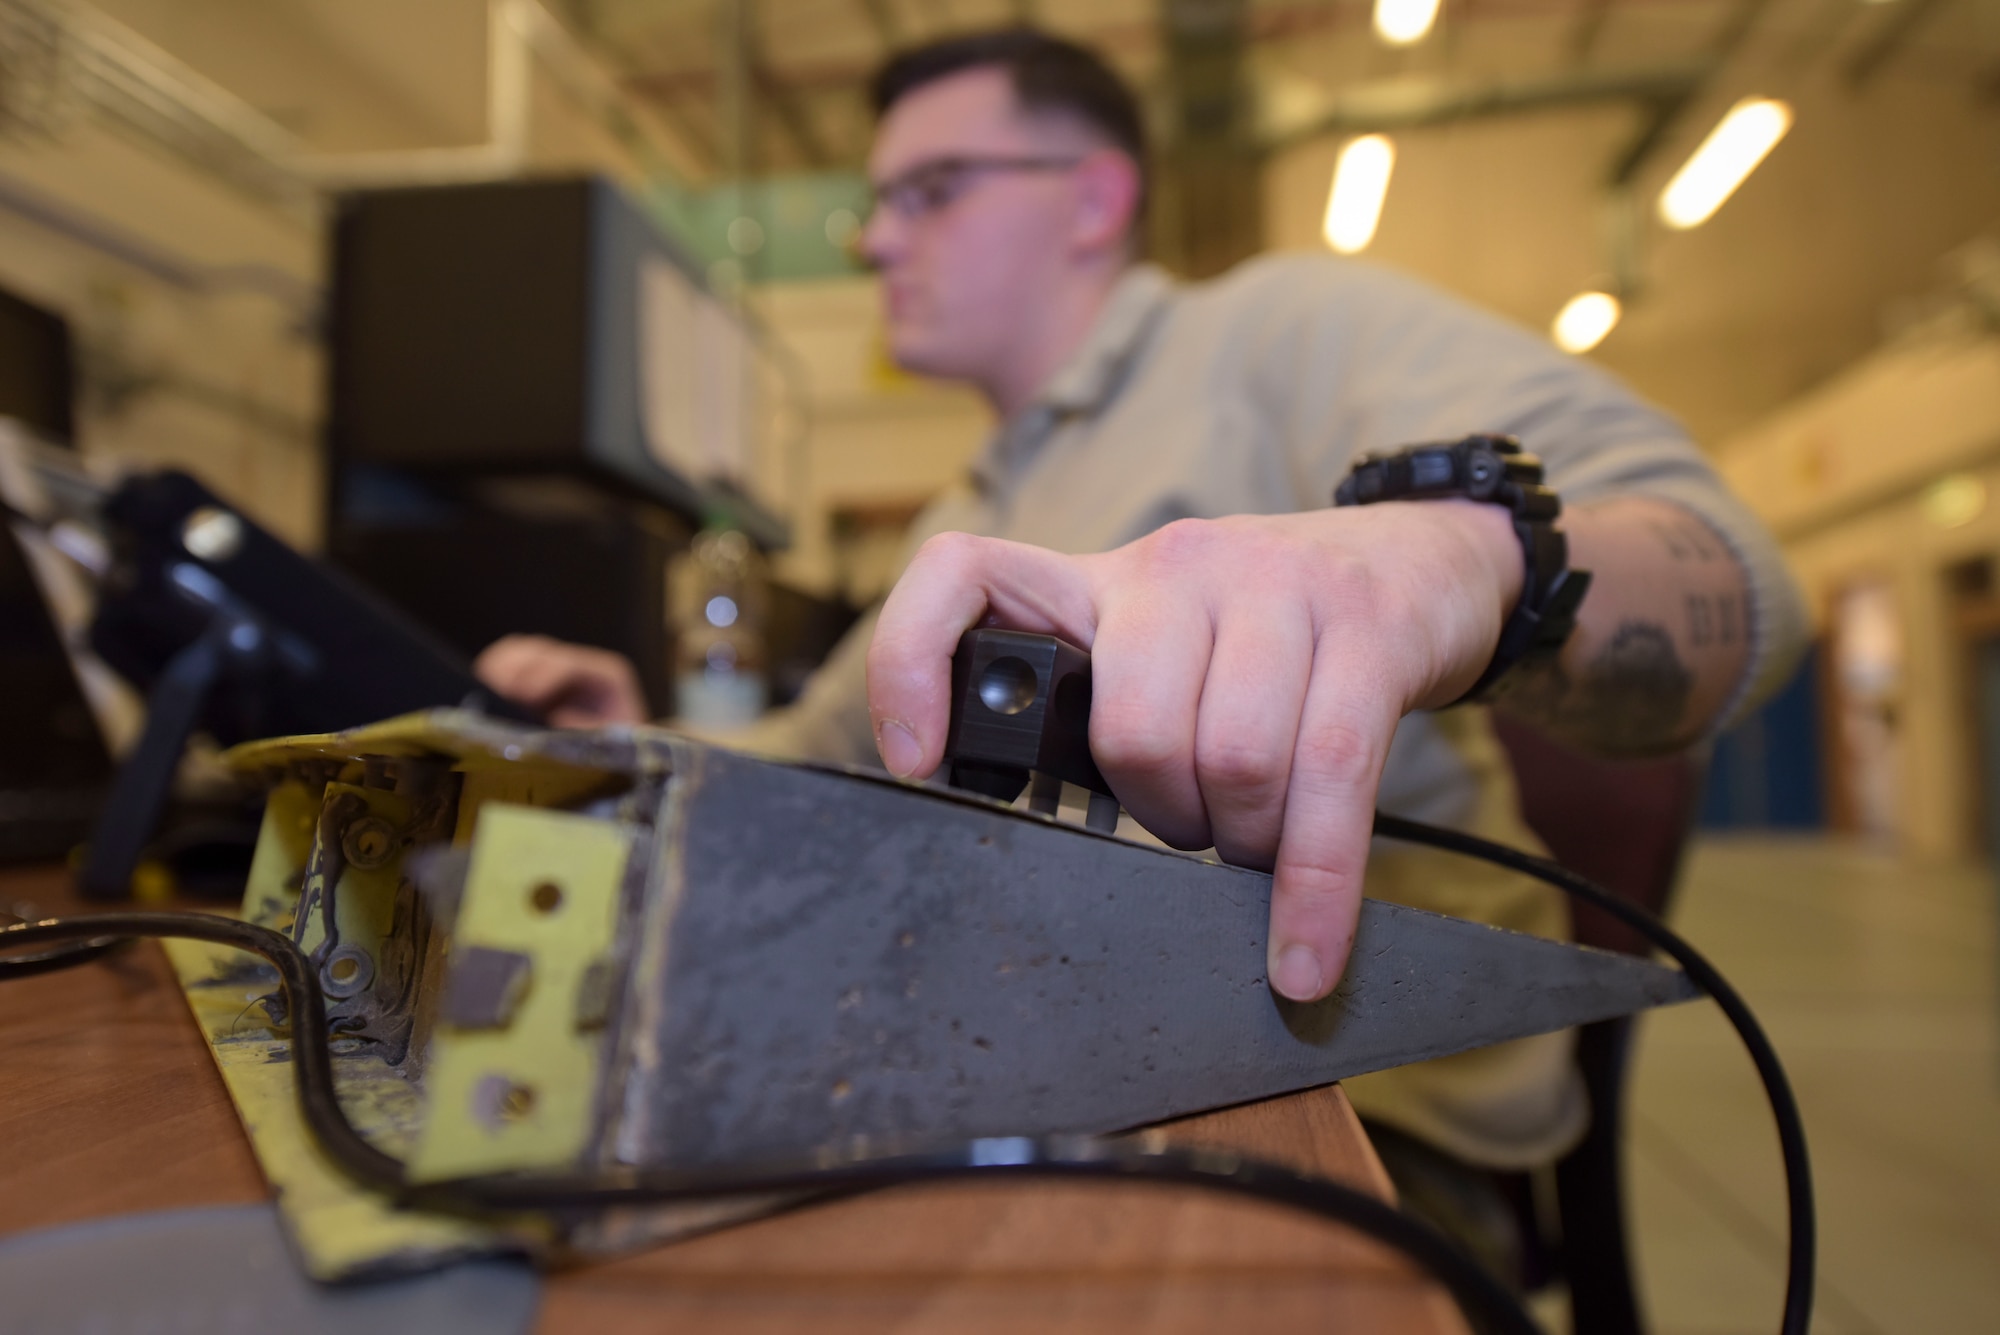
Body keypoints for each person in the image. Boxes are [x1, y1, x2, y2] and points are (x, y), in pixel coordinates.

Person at [478, 27, 1804, 1218]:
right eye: (877, 204)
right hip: (1065, 1061)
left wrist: (1450, 561)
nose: (877, 239)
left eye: (928, 193)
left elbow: (1742, 587)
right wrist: (636, 733)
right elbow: (827, 746)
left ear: (1094, 199)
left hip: (1359, 1104)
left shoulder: (1278, 331)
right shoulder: (974, 503)